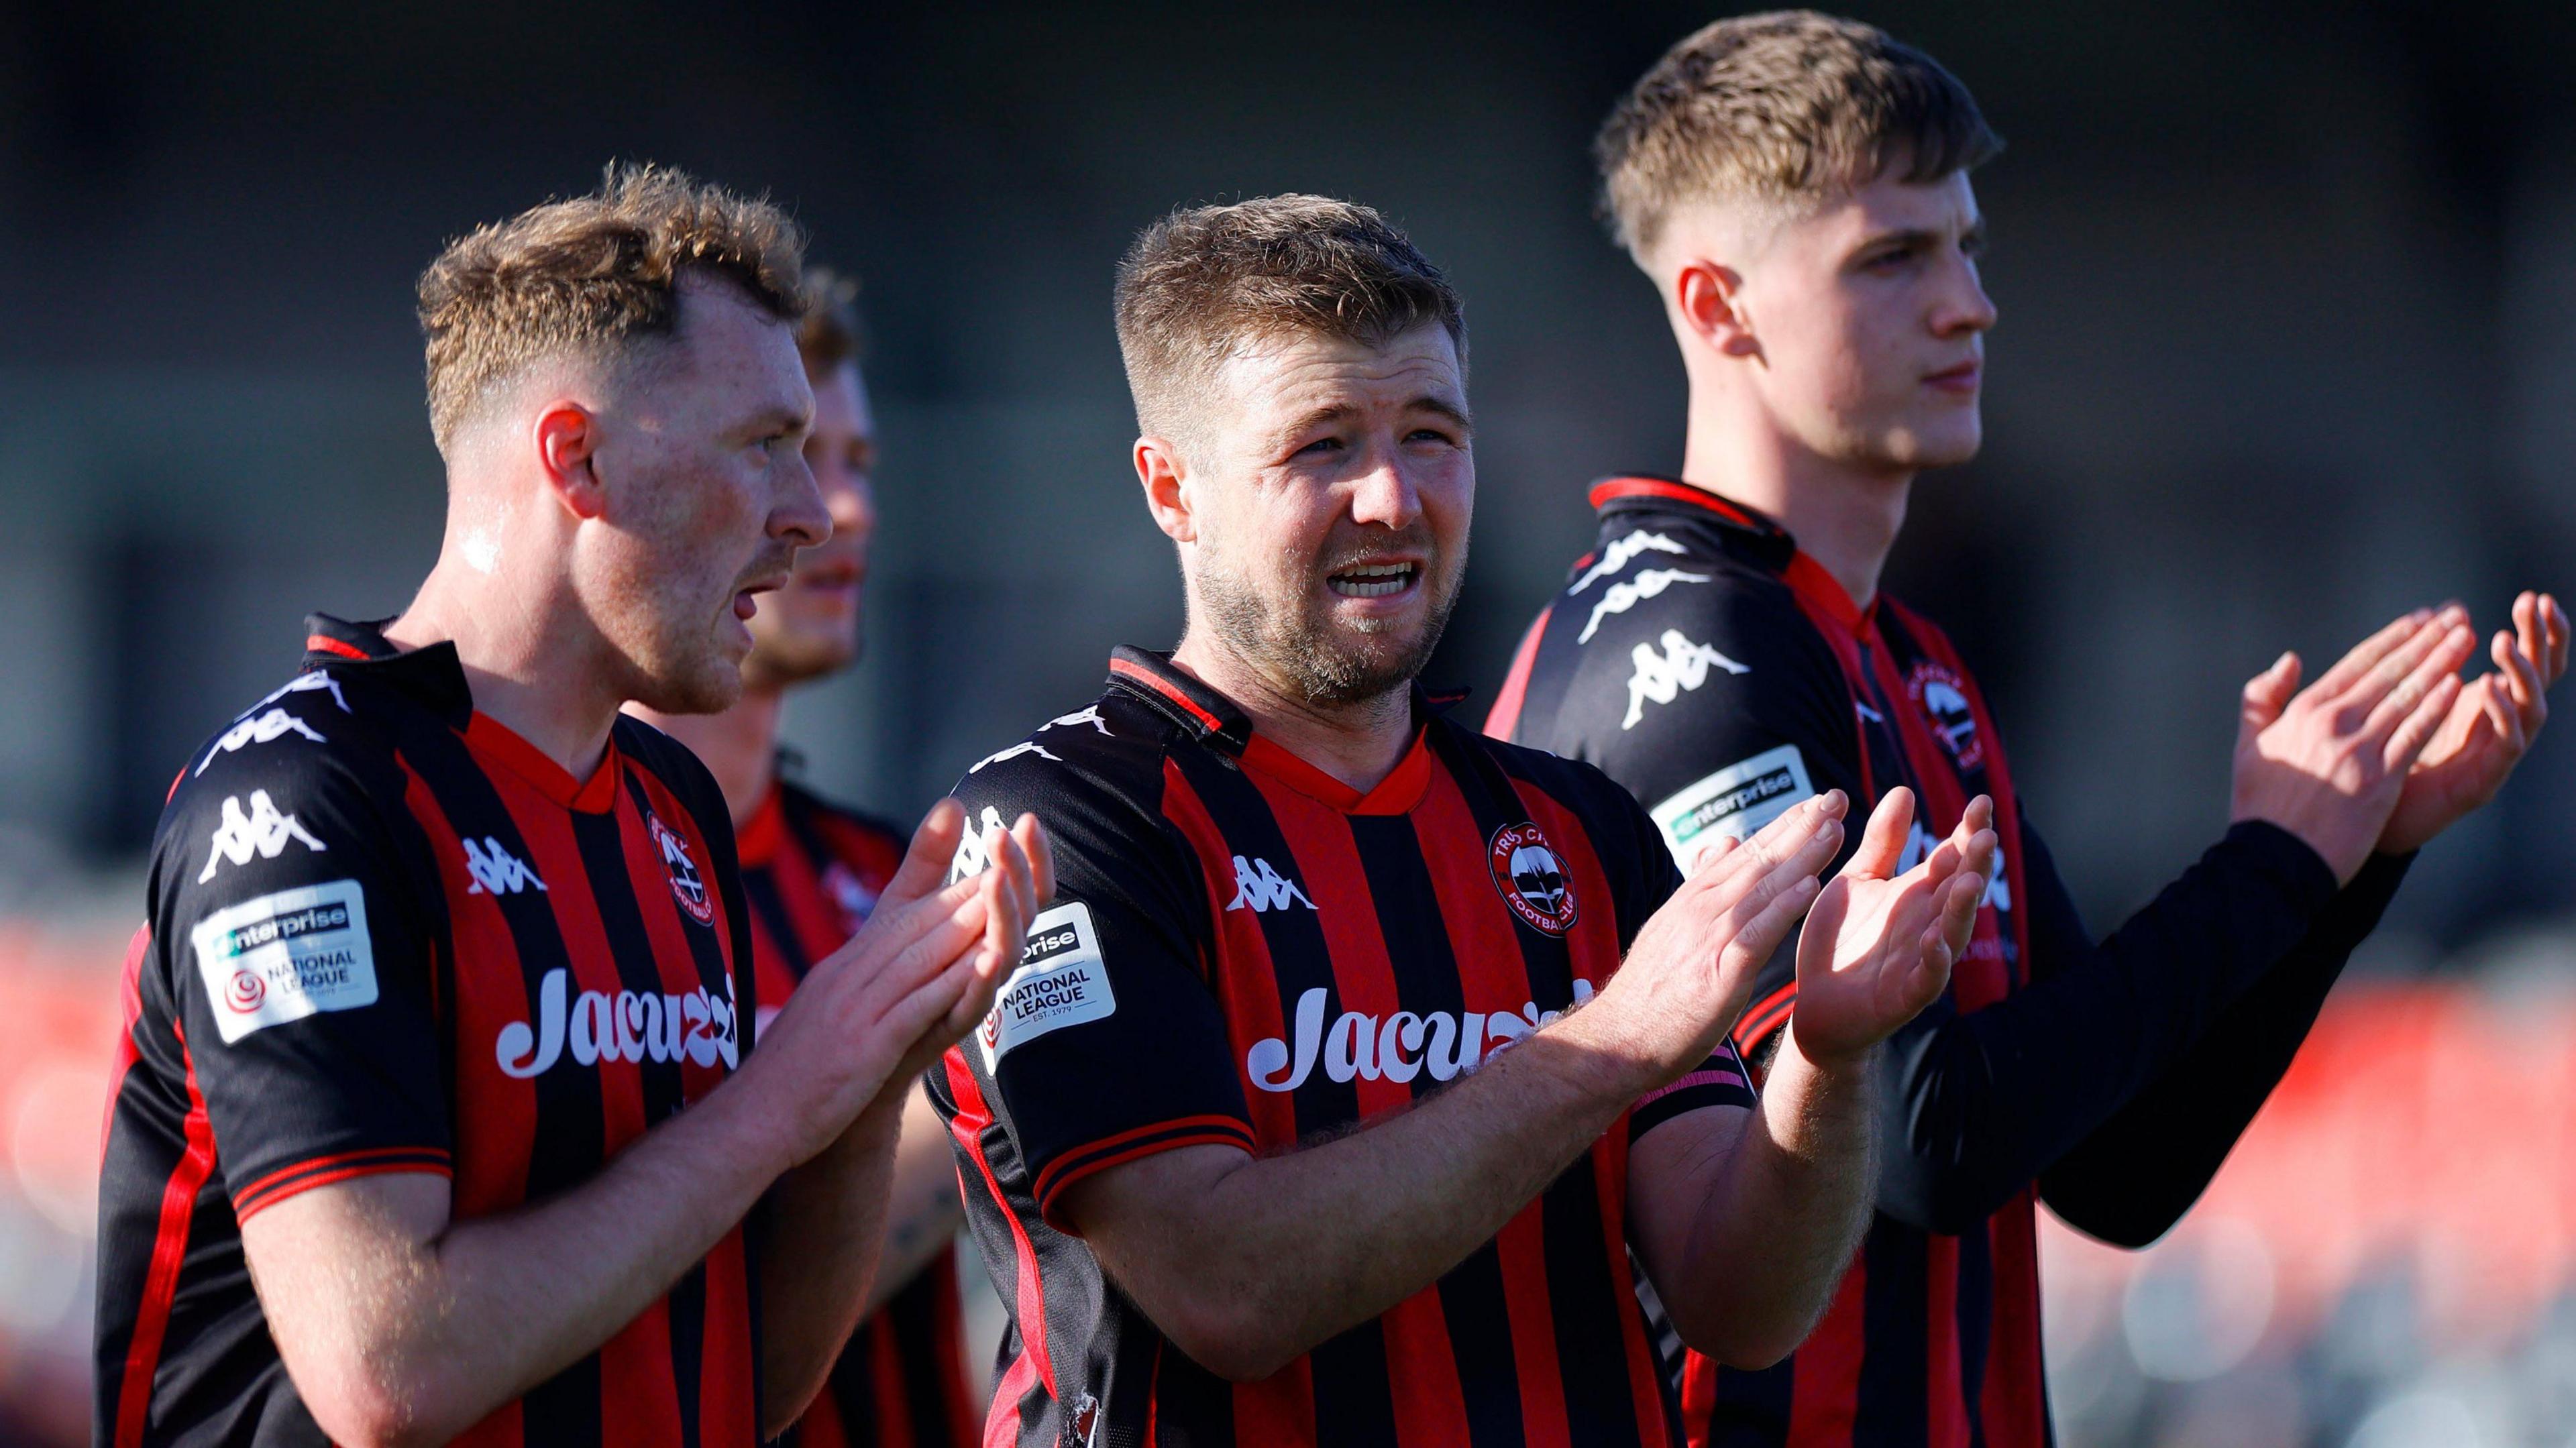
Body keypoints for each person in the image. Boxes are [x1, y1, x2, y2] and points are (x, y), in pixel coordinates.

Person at [1488, 15, 2569, 1445]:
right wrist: (2271, 863)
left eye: (1968, 247)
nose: (1970, 305)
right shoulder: (1689, 657)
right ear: (1719, 305)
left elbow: (2115, 1172)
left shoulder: (1905, 659)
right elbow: (1923, 1145)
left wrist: (2339, 867)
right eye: (1894, 259)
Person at [934, 193, 2000, 1448]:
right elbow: (1226, 1290)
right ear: (1173, 488)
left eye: (1431, 434)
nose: (1393, 499)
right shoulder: (1060, 825)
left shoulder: (1579, 827)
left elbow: (1742, 1305)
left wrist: (1827, 1058)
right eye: (1323, 444)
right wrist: (1610, 1040)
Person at [93, 165, 1048, 1448]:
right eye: (766, 446)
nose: (811, 516)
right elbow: (389, 1372)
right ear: (577, 457)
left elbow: (740, 1381)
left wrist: (867, 1084)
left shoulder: (668, 813)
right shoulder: (303, 806)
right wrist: (782, 1093)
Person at [631, 269, 978, 1447]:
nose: (843, 511)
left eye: (861, 465)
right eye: (790, 453)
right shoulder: (522, 872)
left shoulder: (889, 878)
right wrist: (974, 1080)